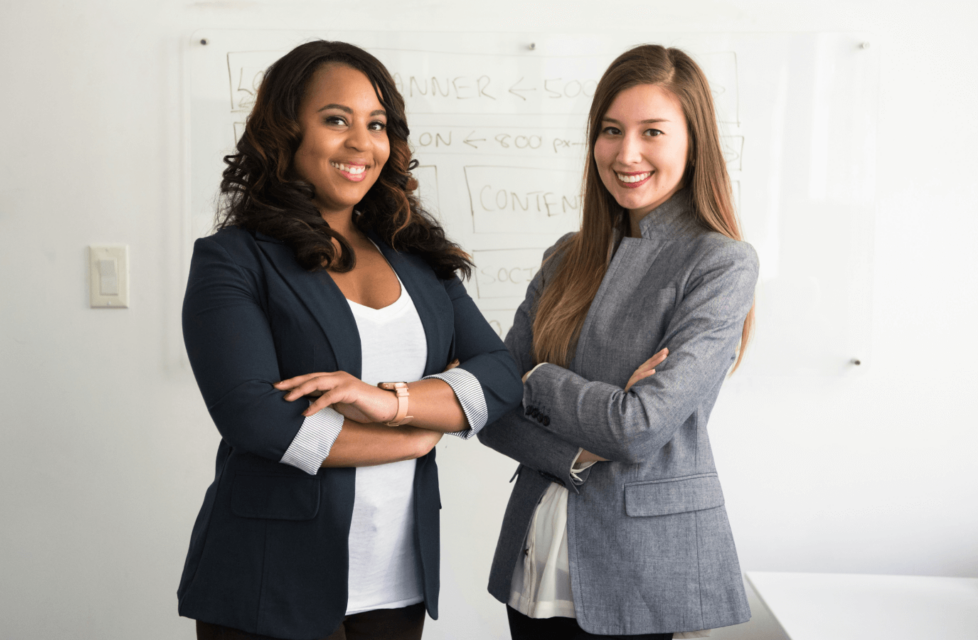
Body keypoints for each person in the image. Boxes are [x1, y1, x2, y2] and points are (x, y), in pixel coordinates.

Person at [176, 40, 522, 640]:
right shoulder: (234, 260)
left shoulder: (417, 257)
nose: (362, 142)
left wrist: (392, 404)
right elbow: (256, 418)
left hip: (396, 580)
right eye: (336, 119)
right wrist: (414, 439)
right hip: (270, 580)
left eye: (377, 124)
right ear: (286, 132)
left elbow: (500, 374)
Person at [477, 44, 759, 639]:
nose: (626, 153)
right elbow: (490, 407)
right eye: (611, 130)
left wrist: (538, 379)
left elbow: (638, 427)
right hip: (535, 551)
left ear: (693, 141)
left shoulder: (720, 264)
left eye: (652, 131)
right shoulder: (566, 255)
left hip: (640, 565)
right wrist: (575, 451)